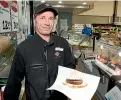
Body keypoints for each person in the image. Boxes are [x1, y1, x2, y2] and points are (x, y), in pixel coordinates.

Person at [4, 3, 76, 100]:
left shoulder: (63, 43)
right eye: (42, 18)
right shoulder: (24, 48)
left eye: (51, 18)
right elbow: (14, 82)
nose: (47, 22)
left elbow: (70, 69)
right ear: (35, 20)